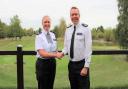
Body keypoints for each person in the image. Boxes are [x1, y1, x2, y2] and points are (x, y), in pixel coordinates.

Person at [62, 7, 92, 89]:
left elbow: (88, 49)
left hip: (82, 65)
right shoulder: (67, 30)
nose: (74, 16)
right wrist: (62, 53)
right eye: (72, 14)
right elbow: (66, 47)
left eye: (76, 14)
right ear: (70, 16)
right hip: (71, 65)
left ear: (79, 15)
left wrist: (86, 67)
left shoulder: (86, 29)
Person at [35, 16, 62, 89]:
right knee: (42, 86)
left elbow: (55, 49)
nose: (47, 24)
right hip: (42, 64)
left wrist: (60, 53)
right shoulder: (39, 36)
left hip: (52, 63)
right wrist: (56, 55)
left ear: (50, 23)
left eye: (48, 22)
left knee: (50, 85)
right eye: (45, 22)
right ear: (42, 23)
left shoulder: (53, 35)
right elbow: (42, 53)